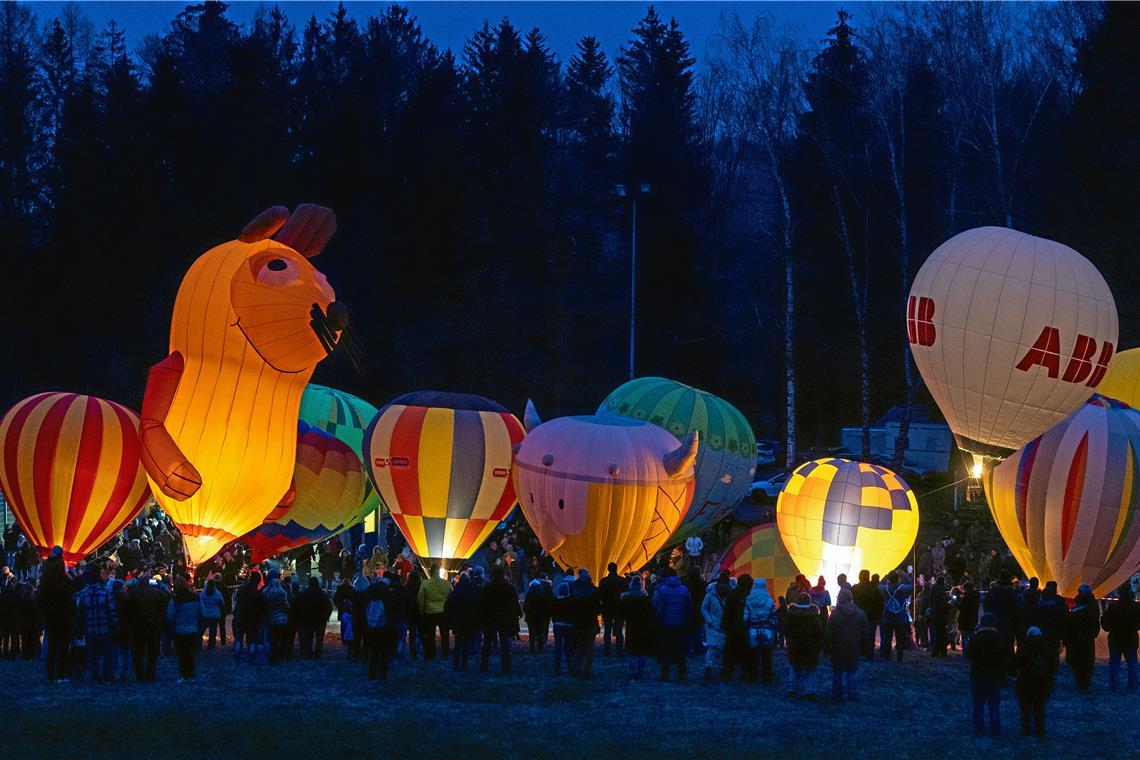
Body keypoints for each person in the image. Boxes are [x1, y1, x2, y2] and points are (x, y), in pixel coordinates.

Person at [36, 547, 77, 682]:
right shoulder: (63, 584)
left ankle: (50, 675)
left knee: (52, 648)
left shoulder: (44, 585)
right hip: (63, 620)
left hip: (50, 619)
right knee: (63, 649)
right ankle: (61, 674)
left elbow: (39, 601)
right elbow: (74, 590)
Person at [966, 612, 1009, 737]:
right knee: (994, 705)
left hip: (978, 674)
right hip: (994, 675)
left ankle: (978, 727)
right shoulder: (1000, 638)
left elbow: (968, 654)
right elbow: (1006, 657)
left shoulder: (976, 637)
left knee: (978, 704)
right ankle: (995, 728)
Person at [826, 588, 868, 702]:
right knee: (851, 671)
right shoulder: (860, 613)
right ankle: (852, 693)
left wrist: (827, 647)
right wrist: (864, 647)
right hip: (854, 646)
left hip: (838, 646)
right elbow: (865, 632)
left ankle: (837, 693)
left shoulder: (834, 615)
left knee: (838, 671)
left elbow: (829, 633)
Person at [653, 568, 693, 681]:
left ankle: (665, 674)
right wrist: (687, 620)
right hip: (680, 624)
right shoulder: (684, 589)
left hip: (666, 624)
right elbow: (689, 607)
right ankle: (682, 673)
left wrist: (658, 621)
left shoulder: (662, 590)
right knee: (680, 649)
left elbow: (659, 608)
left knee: (665, 649)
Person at [1013, 626, 1054, 738]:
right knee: (1039, 709)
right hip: (1041, 682)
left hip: (1025, 682)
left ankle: (1026, 731)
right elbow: (1052, 665)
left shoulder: (1024, 647)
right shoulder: (1046, 647)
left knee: (1025, 709)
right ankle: (1039, 731)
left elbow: (1015, 662)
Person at [479, 566, 521, 673]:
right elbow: (514, 601)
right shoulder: (508, 587)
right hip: (504, 617)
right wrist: (513, 613)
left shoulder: (488, 587)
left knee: (487, 642)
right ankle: (506, 666)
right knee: (505, 642)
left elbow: (482, 603)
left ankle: (484, 665)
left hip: (490, 617)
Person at [1100, 581, 1139, 693]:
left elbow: (1105, 621)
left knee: (1114, 664)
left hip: (1115, 639)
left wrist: (1108, 628)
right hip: (1131, 639)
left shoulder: (1114, 606)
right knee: (1132, 664)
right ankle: (1133, 685)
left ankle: (1114, 685)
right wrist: (1135, 627)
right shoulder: (1135, 606)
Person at [784, 592, 823, 698]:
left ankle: (792, 688)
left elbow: (786, 629)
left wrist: (788, 640)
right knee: (810, 669)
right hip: (811, 645)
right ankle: (809, 690)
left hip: (795, 644)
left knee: (794, 666)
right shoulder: (814, 615)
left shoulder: (791, 614)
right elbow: (819, 631)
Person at [1062, 584, 1100, 691]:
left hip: (1078, 640)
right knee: (1086, 661)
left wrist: (1067, 639)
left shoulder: (1075, 613)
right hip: (1087, 639)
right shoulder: (1091, 610)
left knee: (1079, 661)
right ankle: (1085, 681)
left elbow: (1068, 626)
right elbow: (1095, 622)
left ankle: (1081, 681)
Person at [742, 576, 778, 684]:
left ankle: (753, 677)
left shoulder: (748, 600)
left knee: (753, 655)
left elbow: (745, 617)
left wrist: (745, 628)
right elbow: (773, 618)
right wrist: (775, 630)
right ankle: (767, 677)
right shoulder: (769, 600)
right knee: (766, 656)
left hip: (753, 630)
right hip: (767, 631)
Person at [167, 578, 202, 683]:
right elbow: (201, 611)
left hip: (179, 630)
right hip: (192, 629)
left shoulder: (175, 600)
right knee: (190, 652)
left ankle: (184, 674)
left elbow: (170, 615)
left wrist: (170, 626)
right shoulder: (196, 597)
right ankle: (191, 674)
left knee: (182, 654)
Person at [621, 575, 654, 680]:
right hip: (643, 627)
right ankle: (640, 671)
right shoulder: (646, 599)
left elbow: (623, 614)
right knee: (642, 650)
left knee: (631, 650)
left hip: (631, 627)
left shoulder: (626, 600)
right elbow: (651, 613)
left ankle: (632, 670)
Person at [568, 568, 600, 676]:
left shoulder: (573, 590)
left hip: (578, 622)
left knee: (579, 647)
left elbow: (571, 606)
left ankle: (577, 667)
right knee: (590, 649)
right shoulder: (593, 590)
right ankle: (587, 669)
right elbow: (597, 607)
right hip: (591, 623)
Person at [721, 574, 753, 681]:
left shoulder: (732, 594)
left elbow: (727, 611)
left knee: (729, 651)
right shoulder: (749, 596)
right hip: (744, 629)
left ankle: (728, 672)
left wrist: (724, 625)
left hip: (732, 627)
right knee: (746, 652)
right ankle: (745, 673)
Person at [417, 563, 452, 660]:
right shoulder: (446, 583)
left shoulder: (425, 583)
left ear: (431, 572)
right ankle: (445, 652)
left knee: (431, 634)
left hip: (430, 612)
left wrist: (421, 611)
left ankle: (431, 653)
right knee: (444, 633)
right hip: (443, 612)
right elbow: (451, 597)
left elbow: (420, 599)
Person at [362, 574, 394, 680]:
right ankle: (382, 674)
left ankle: (372, 674)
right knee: (383, 653)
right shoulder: (383, 603)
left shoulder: (370, 603)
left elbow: (367, 615)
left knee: (374, 653)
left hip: (372, 630)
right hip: (382, 630)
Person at [233, 571, 267, 665]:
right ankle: (251, 658)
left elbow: (237, 602)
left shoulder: (241, 590)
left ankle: (237, 656)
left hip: (241, 617)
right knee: (252, 639)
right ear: (258, 582)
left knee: (239, 638)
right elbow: (262, 609)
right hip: (254, 619)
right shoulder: (259, 594)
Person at [700, 574, 730, 680]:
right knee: (712, 647)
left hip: (725, 625)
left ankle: (722, 668)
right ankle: (709, 667)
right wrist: (709, 620)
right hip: (713, 625)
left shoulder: (730, 594)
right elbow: (704, 608)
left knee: (723, 649)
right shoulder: (710, 595)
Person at [297, 576, 333, 659]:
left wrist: (303, 616)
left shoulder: (305, 593)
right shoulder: (321, 593)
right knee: (319, 638)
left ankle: (308, 653)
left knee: (308, 638)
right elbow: (329, 606)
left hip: (308, 619)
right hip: (320, 619)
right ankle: (318, 653)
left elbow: (300, 606)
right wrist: (325, 617)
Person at [879, 572, 912, 662]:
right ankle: (899, 657)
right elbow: (911, 585)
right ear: (898, 579)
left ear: (889, 579)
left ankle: (887, 656)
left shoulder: (885, 589)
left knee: (887, 638)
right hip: (900, 617)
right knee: (900, 638)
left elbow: (879, 584)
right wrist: (905, 576)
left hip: (888, 616)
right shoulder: (902, 589)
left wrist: (885, 576)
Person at [851, 569, 882, 659]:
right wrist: (878, 615)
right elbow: (880, 603)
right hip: (871, 616)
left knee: (858, 635)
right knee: (870, 637)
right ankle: (869, 655)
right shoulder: (874, 589)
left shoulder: (854, 588)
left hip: (858, 616)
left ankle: (860, 653)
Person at [598, 562, 626, 656]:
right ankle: (619, 649)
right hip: (619, 608)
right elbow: (625, 594)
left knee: (607, 629)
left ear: (608, 569)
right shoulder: (622, 581)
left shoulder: (603, 581)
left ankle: (607, 649)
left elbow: (600, 595)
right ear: (616, 569)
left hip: (607, 608)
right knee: (619, 629)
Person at [264, 571, 291, 665]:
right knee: (281, 638)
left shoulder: (266, 593)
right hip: (282, 619)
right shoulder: (283, 593)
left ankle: (273, 657)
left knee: (272, 639)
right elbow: (287, 607)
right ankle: (281, 655)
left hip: (271, 619)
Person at [550, 581, 575, 675]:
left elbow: (552, 612)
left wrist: (555, 620)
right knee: (568, 648)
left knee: (558, 647)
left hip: (558, 625)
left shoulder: (555, 601)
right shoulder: (571, 601)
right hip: (568, 626)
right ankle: (570, 668)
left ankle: (557, 669)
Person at [524, 574, 553, 654]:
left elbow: (525, 606)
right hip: (541, 616)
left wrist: (527, 613)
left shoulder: (529, 594)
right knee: (540, 632)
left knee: (532, 633)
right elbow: (546, 604)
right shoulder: (542, 594)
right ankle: (540, 648)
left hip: (531, 617)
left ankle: (532, 648)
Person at [333, 577, 358, 658]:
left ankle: (347, 643)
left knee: (344, 628)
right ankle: (350, 645)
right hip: (351, 613)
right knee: (351, 629)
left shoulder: (340, 590)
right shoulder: (352, 590)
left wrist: (341, 606)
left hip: (344, 612)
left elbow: (336, 600)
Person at [199, 579, 225, 649]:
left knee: (201, 630)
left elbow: (199, 602)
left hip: (204, 614)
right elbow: (222, 603)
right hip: (214, 615)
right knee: (212, 632)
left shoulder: (202, 593)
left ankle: (198, 644)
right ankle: (211, 646)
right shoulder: (218, 594)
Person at [929, 576, 951, 657]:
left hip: (935, 615)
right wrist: (949, 604)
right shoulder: (940, 591)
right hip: (940, 616)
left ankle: (939, 652)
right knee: (942, 635)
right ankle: (940, 652)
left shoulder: (934, 590)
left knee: (940, 634)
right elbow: (943, 604)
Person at [957, 581, 981, 651]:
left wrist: (956, 603)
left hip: (965, 619)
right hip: (973, 619)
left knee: (965, 637)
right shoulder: (976, 596)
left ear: (966, 588)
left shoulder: (966, 597)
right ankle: (973, 651)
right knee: (972, 636)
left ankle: (965, 652)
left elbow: (962, 608)